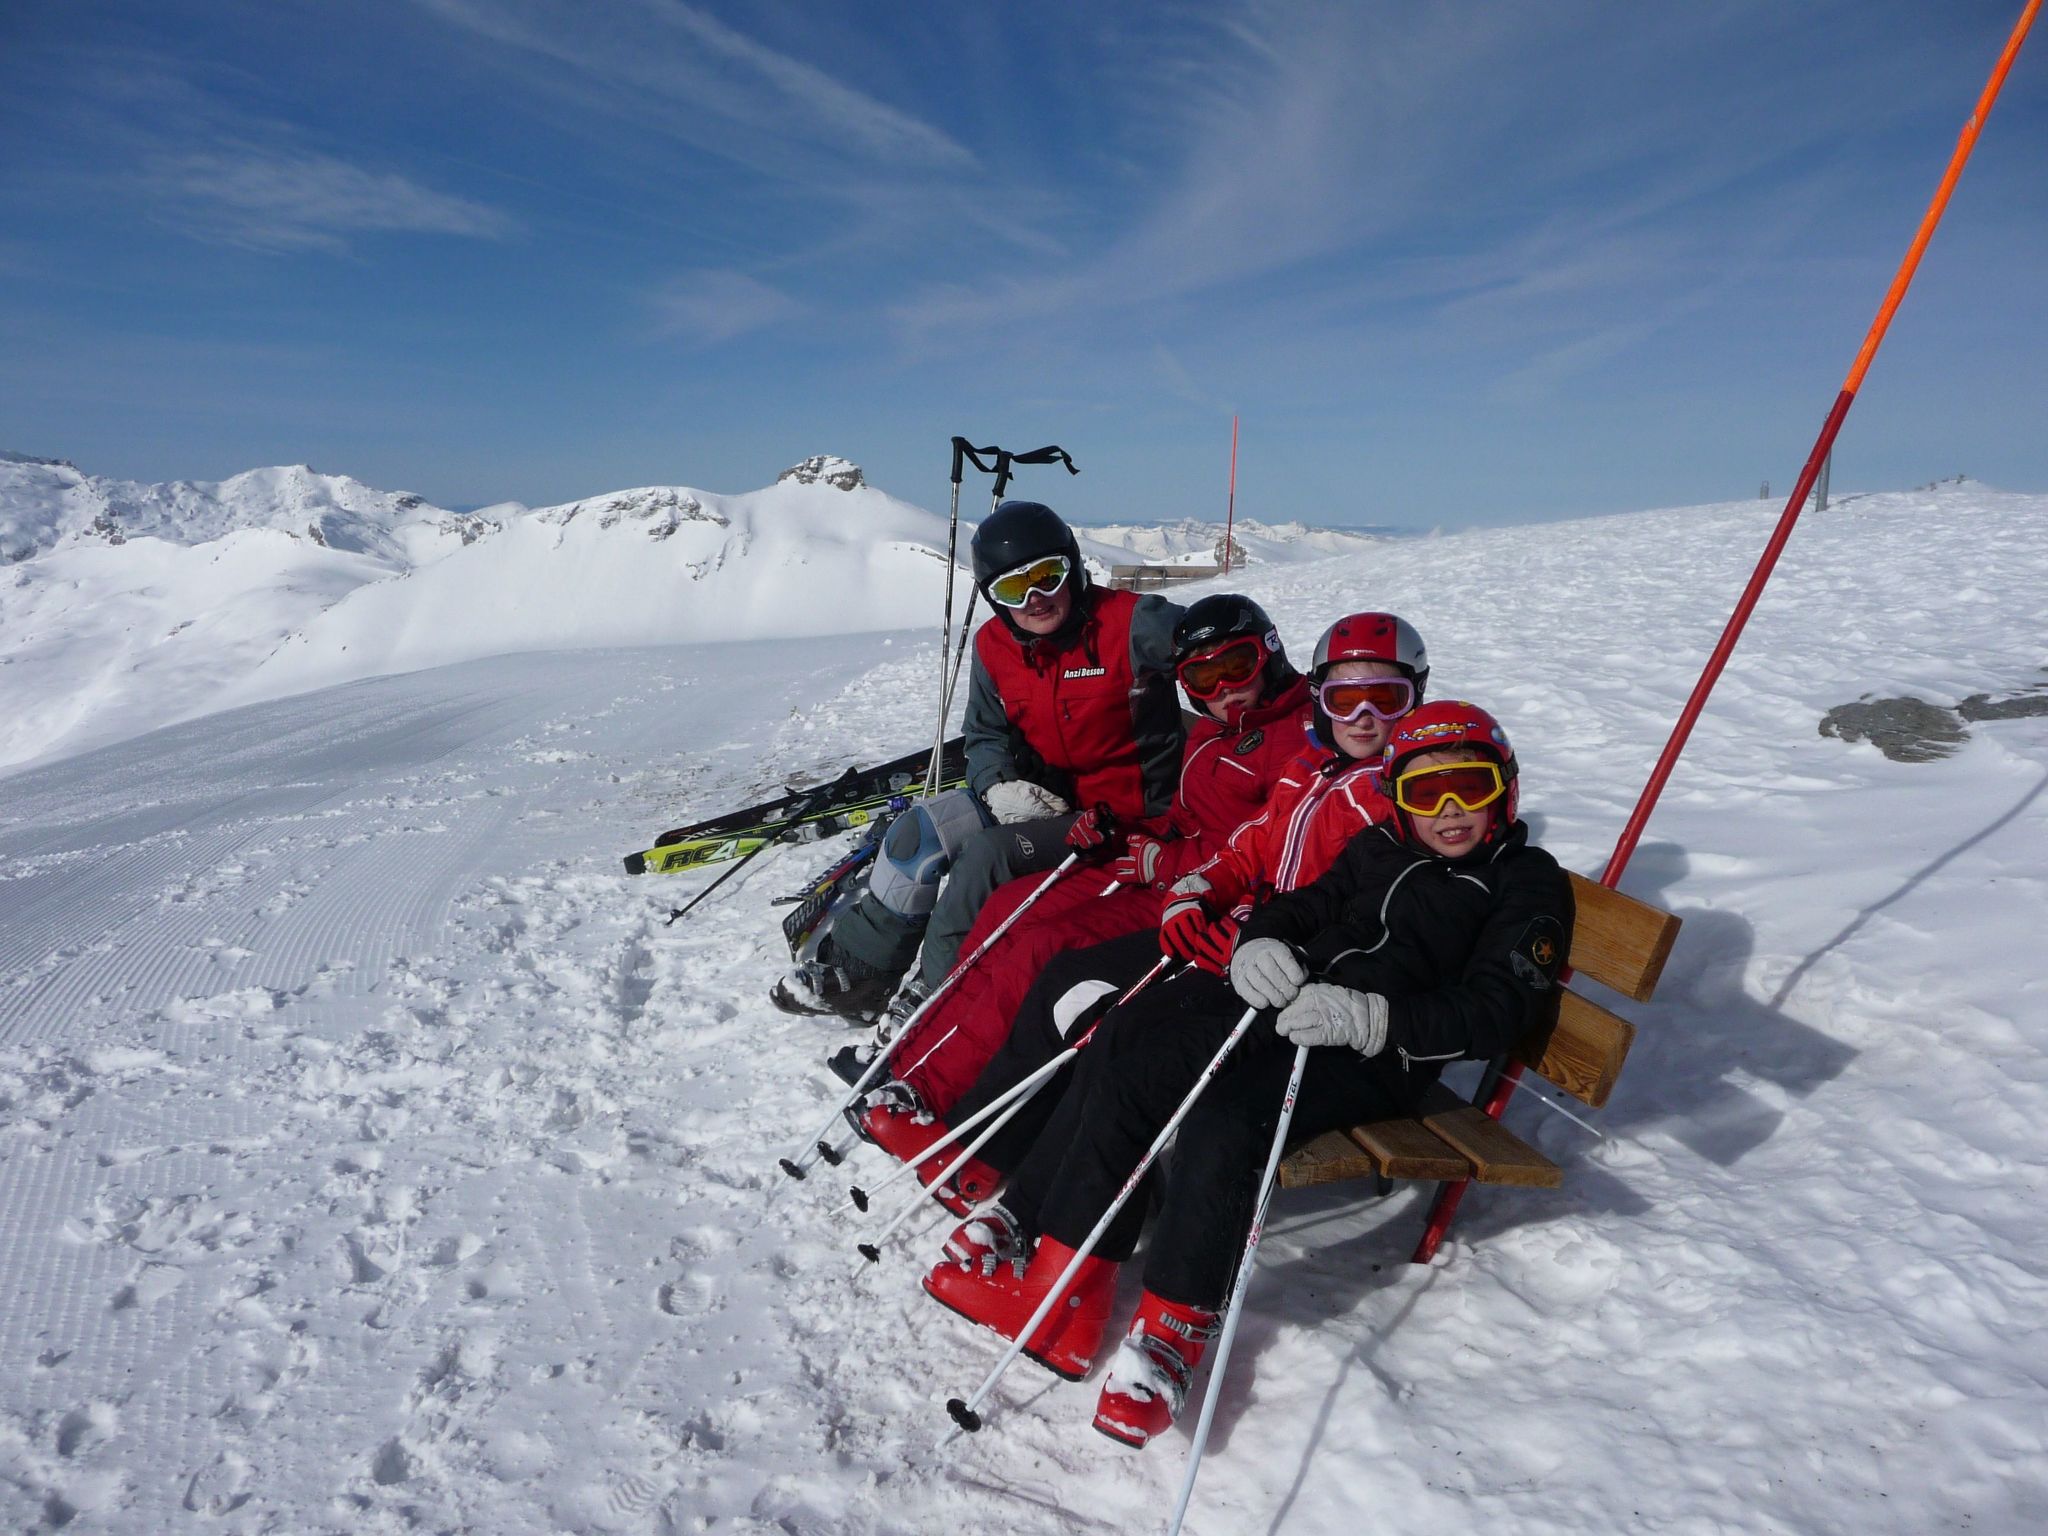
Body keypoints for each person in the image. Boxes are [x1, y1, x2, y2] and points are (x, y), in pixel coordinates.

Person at [920, 700, 1574, 1450]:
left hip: (1376, 1053)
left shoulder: (1524, 883)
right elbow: (1305, 906)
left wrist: (1374, 1019)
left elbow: (1501, 1010)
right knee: (1133, 1036)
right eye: (1428, 793)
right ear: (1398, 798)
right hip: (1282, 1005)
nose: (1451, 811)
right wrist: (1261, 943)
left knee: (1226, 1119)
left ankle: (1171, 1333)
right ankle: (1063, 1272)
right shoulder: (1379, 847)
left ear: (1505, 790)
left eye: (1472, 787)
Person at [864, 611, 1428, 1214]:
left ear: (1270, 657)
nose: (1224, 689)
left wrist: (1172, 864)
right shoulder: (1227, 735)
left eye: (1237, 667)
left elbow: (1263, 853)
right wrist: (1123, 831)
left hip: (1203, 901)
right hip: (1172, 875)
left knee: (1043, 950)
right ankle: (918, 1069)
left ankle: (950, 1101)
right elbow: (1211, 824)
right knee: (1008, 908)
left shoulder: (1299, 743)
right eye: (1203, 679)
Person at [772, 500, 1183, 1023]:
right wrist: (995, 786)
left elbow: (1225, 644)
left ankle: (933, 993)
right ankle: (860, 974)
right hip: (1036, 800)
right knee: (916, 832)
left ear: (1074, 568)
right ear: (994, 596)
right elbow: (984, 734)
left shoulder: (1131, 623)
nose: (1035, 599)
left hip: (1122, 816)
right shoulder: (994, 646)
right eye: (1014, 588)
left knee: (985, 858)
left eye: (1047, 577)